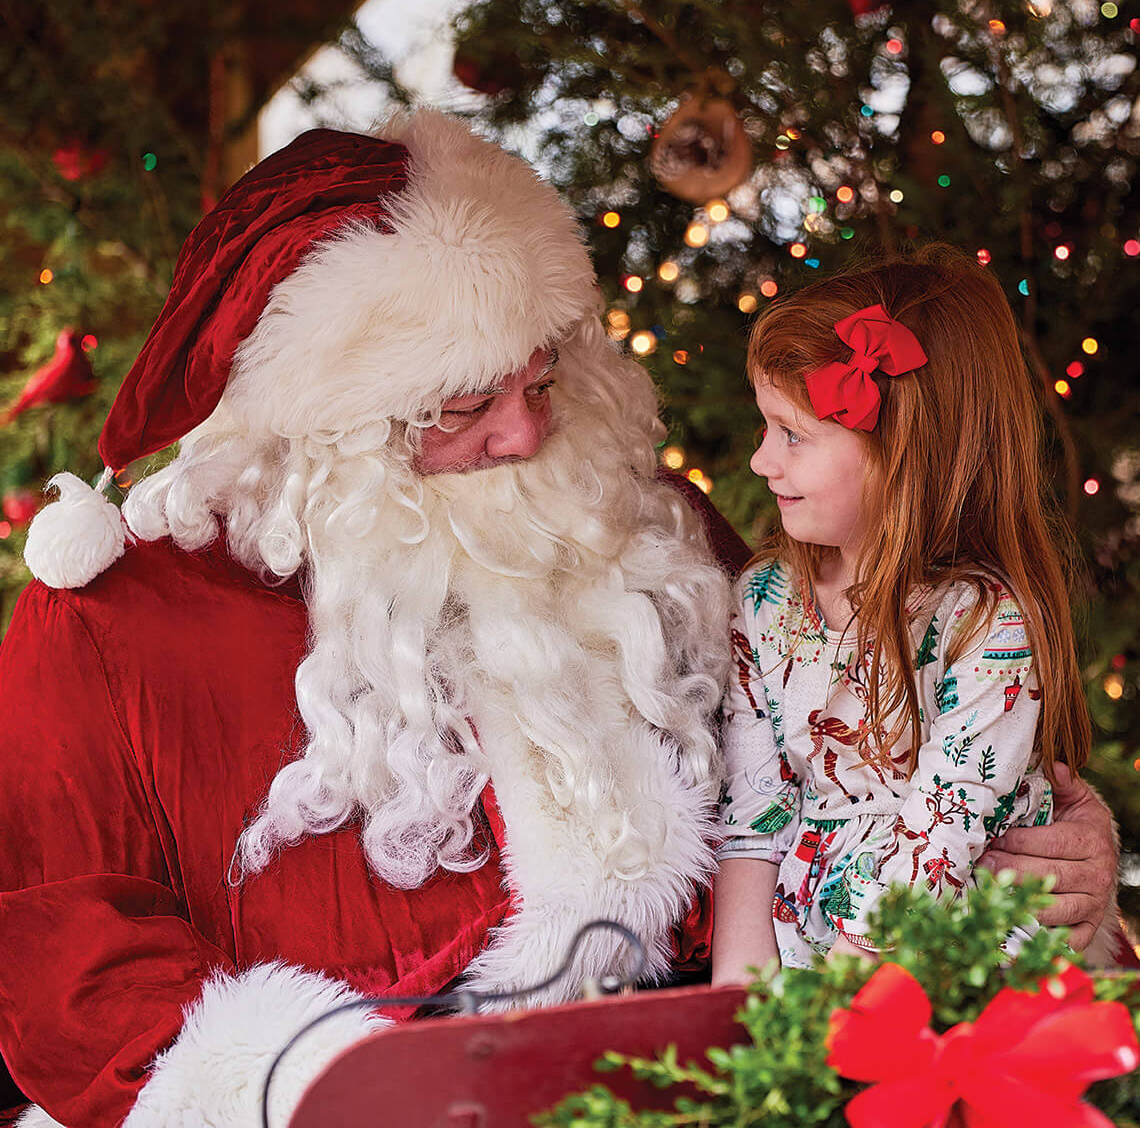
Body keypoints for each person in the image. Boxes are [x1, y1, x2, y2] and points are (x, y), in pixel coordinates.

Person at [0, 119, 1118, 1128]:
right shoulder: (118, 621)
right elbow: (64, 957)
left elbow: (864, 747)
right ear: (329, 420)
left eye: (539, 384)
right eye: (463, 407)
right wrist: (312, 1088)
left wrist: (1065, 864)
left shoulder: (648, 530)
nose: (526, 438)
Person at [711, 246, 1122, 980]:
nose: (761, 461)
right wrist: (740, 1006)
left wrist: (835, 1010)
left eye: (793, 434)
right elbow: (753, 818)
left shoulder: (983, 622)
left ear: (901, 453)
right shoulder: (764, 599)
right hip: (808, 954)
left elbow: (939, 841)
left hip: (946, 947)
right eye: (765, 427)